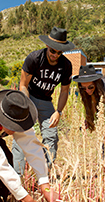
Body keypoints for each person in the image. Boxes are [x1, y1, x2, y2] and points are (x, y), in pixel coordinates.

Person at [12, 26, 75, 175]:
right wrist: (25, 106)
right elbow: (23, 85)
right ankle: (18, 176)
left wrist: (58, 111)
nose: (55, 55)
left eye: (59, 52)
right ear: (47, 46)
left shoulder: (66, 65)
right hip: (29, 97)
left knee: (51, 135)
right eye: (53, 51)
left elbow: (65, 91)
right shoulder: (34, 58)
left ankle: (44, 175)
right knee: (21, 134)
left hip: (46, 101)